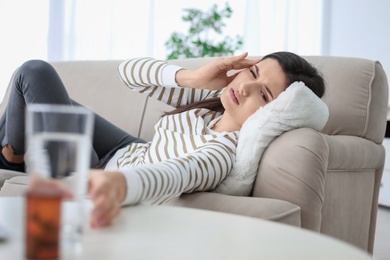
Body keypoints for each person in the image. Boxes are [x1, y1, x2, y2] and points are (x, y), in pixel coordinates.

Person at [0, 52, 325, 227]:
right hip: (126, 149)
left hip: (100, 169)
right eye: (253, 73)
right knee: (40, 94)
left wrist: (120, 184)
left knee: (35, 73)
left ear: (275, 114)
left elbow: (174, 175)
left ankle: (11, 156)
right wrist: (195, 77)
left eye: (264, 95)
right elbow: (128, 72)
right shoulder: (211, 104)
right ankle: (11, 153)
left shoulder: (221, 154)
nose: (245, 88)